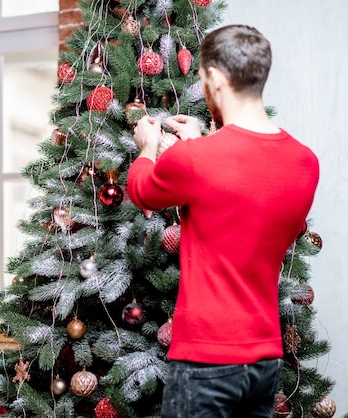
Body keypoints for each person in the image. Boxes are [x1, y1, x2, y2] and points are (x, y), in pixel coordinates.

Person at [127, 25, 320, 417]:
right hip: (265, 358)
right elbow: (250, 202)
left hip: (205, 359)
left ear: (214, 77)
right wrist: (199, 143)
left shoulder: (195, 160)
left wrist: (148, 149)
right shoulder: (306, 163)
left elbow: (142, 190)